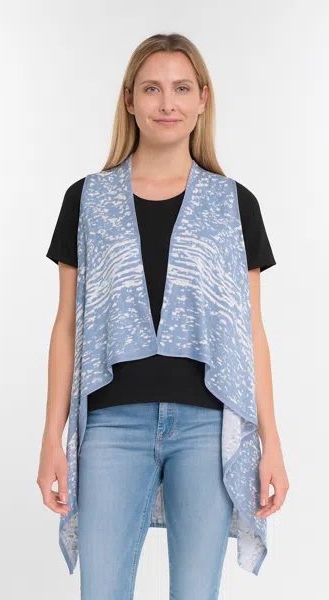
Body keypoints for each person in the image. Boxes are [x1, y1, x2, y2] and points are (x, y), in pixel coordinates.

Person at [37, 32, 289, 599]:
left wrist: (270, 442)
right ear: (130, 100)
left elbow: (251, 332)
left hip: (207, 427)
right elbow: (66, 325)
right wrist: (53, 436)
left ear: (203, 99)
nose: (167, 103)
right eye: (151, 89)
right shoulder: (87, 200)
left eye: (181, 88)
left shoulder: (233, 204)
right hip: (111, 426)